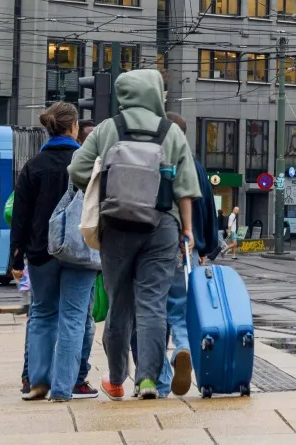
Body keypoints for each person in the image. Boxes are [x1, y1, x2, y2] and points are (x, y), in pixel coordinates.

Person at [67, 69, 200, 400]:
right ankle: (148, 381)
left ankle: (115, 380)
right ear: (153, 93)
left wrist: (103, 188)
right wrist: (187, 229)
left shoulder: (108, 129)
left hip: (117, 226)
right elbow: (185, 187)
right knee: (153, 304)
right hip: (162, 225)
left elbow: (77, 169)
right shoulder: (171, 132)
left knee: (119, 304)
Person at [12, 102, 92, 402]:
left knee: (42, 313)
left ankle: (37, 382)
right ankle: (63, 388)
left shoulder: (34, 166)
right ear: (73, 128)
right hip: (81, 251)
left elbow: (21, 215)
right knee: (73, 316)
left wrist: (17, 258)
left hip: (40, 251)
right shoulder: (87, 162)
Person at [156, 112, 221, 399]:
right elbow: (207, 207)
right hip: (188, 249)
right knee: (182, 308)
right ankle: (183, 347)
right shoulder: (196, 167)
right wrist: (206, 249)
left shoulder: (156, 159)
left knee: (153, 310)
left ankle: (158, 377)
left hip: (155, 244)